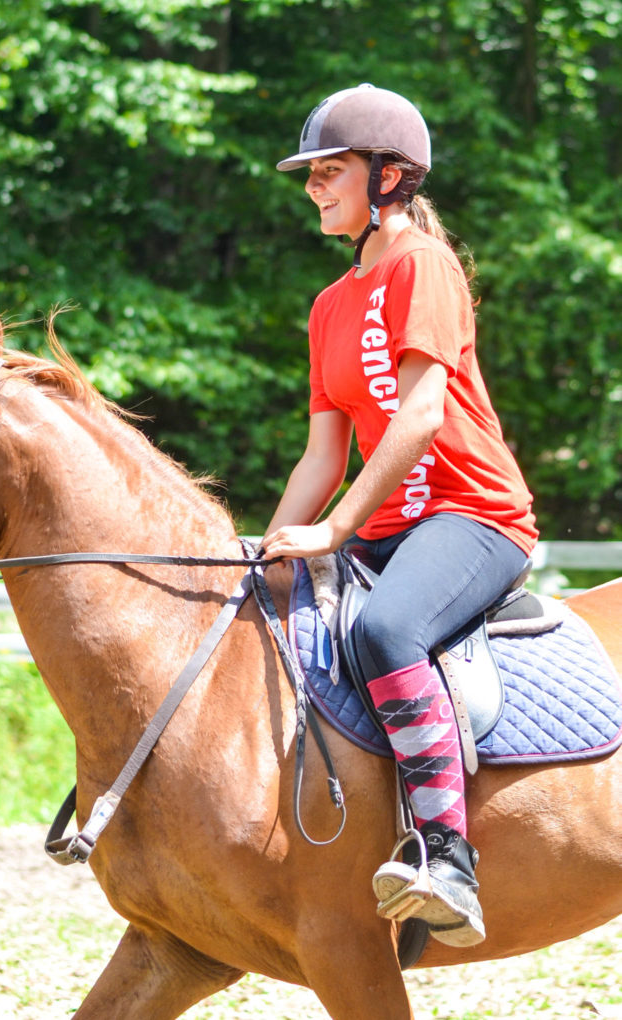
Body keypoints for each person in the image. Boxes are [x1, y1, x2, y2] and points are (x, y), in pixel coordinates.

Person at [261, 83, 538, 947]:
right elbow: (320, 456)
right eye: (309, 175)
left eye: (330, 171)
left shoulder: (423, 265)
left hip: (471, 515)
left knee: (384, 632)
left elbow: (418, 419)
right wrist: (270, 549)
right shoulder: (328, 305)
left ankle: (444, 857)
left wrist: (334, 532)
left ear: (389, 178)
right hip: (389, 526)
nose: (313, 186)